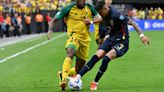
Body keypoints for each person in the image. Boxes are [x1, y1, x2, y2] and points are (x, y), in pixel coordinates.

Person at [73, 1, 150, 91]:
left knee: (106, 58)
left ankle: (95, 82)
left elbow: (132, 23)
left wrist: (142, 36)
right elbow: (101, 19)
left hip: (122, 42)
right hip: (111, 39)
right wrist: (91, 21)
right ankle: (77, 77)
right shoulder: (105, 14)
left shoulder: (117, 15)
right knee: (96, 56)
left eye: (101, 12)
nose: (100, 14)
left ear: (105, 9)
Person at [47, 0, 102, 90]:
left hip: (85, 40)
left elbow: (100, 18)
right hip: (74, 36)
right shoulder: (69, 8)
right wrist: (50, 30)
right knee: (70, 53)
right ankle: (64, 80)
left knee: (79, 69)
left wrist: (91, 21)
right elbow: (54, 19)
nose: (80, 1)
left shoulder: (90, 8)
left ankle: (63, 74)